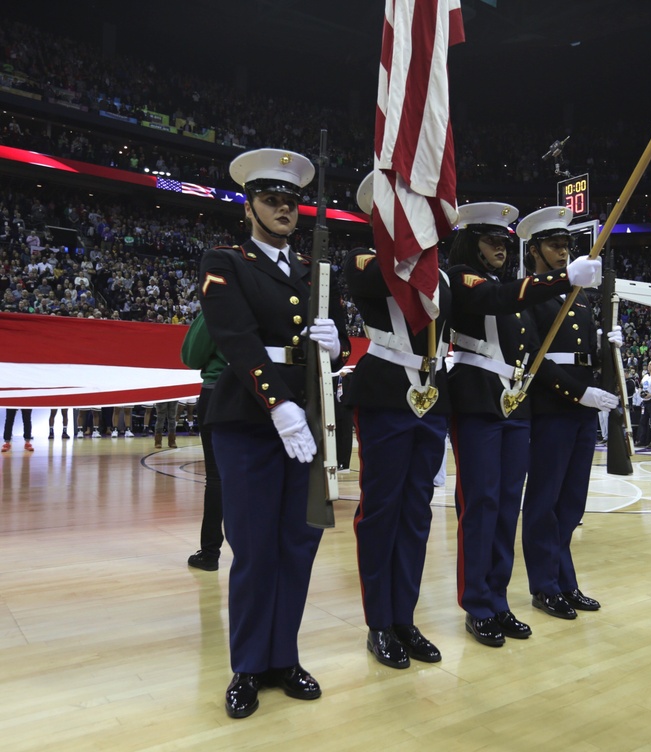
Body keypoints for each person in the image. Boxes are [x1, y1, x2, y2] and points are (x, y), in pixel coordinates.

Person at [198, 148, 349, 718]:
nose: (284, 209)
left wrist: (339, 345)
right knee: (256, 548)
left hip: (308, 423)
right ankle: (248, 665)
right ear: (250, 205)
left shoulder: (313, 272)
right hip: (252, 423)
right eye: (272, 199)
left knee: (298, 545)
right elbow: (234, 338)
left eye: (291, 202)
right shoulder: (224, 260)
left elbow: (332, 341)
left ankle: (283, 655)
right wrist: (279, 405)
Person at [447, 201, 602, 647]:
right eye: (491, 240)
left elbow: (533, 347)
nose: (499, 247)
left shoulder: (509, 287)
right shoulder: (462, 276)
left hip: (514, 404)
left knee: (505, 509)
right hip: (477, 396)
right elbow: (491, 299)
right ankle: (477, 603)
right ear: (471, 242)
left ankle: (498, 599)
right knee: (481, 507)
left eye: (503, 241)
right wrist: (561, 279)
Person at [344, 171, 451, 670]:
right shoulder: (366, 260)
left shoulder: (442, 274)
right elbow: (372, 280)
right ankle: (379, 623)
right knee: (381, 511)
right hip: (387, 393)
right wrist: (403, 244)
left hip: (431, 398)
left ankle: (405, 618)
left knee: (416, 513)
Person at [517, 206, 618, 620]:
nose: (563, 252)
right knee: (544, 500)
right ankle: (544, 585)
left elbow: (583, 355)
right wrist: (580, 393)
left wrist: (607, 346)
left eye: (566, 245)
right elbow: (534, 359)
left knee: (572, 502)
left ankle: (565, 580)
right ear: (535, 250)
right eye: (555, 245)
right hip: (554, 406)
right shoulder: (530, 293)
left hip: (580, 409)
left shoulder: (580, 299)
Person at [180, 311, 226, 572]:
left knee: (217, 478)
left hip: (219, 391)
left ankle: (210, 553)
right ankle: (255, 550)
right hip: (266, 393)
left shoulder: (219, 299)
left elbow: (191, 356)